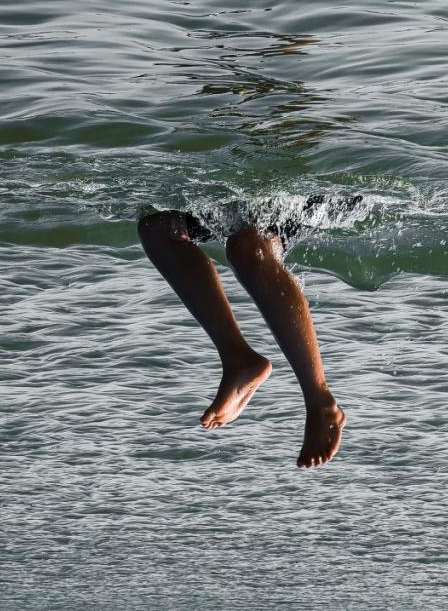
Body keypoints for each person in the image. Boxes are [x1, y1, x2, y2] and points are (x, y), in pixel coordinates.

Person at [137, 195, 361, 468]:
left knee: (247, 246)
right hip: (243, 179)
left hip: (312, 182)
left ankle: (320, 400)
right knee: (156, 229)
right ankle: (237, 358)